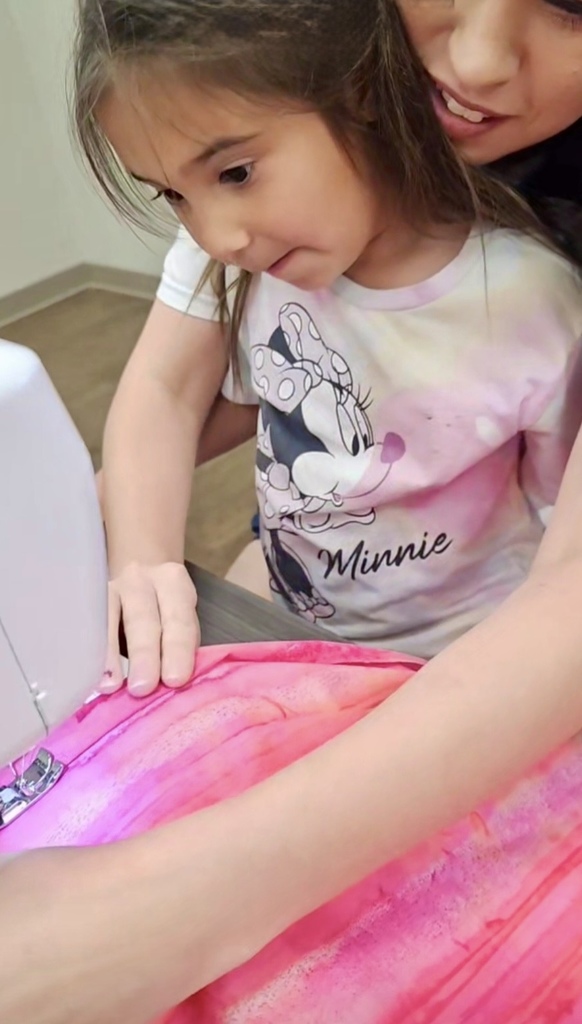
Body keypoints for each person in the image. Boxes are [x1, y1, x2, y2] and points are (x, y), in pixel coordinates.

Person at [4, 1, 582, 1021]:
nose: (216, 234)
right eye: (174, 196)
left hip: (441, 664)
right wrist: (140, 557)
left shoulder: (534, 301)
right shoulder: (245, 255)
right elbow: (162, 394)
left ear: (355, 94)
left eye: (235, 173)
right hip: (292, 623)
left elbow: (555, 557)